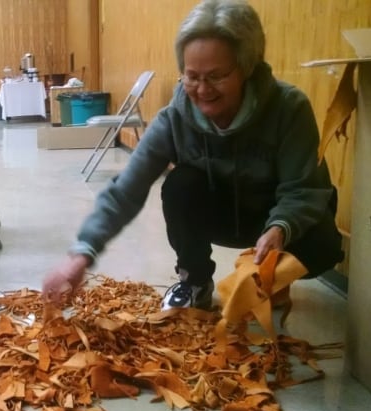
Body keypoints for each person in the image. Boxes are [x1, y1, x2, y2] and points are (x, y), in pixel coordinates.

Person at [42, 0, 343, 310]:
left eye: (216, 76)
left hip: (271, 217)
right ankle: (195, 280)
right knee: (181, 184)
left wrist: (281, 227)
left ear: (247, 68)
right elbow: (125, 191)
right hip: (222, 216)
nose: (202, 89)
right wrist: (81, 254)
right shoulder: (174, 120)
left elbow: (302, 188)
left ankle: (273, 278)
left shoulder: (289, 108)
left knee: (322, 241)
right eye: (192, 76)